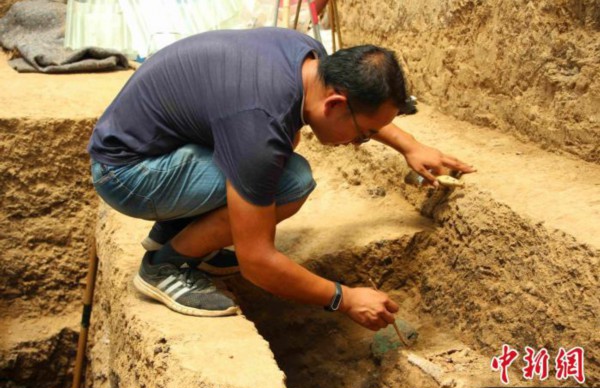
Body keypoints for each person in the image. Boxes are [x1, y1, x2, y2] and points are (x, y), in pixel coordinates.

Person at [88, 27, 474, 331]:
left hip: (157, 143)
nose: (359, 143)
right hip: (127, 173)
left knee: (280, 154)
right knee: (291, 181)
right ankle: (164, 264)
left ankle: (178, 226)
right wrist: (344, 297)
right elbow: (257, 262)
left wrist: (410, 146)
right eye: (364, 133)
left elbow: (353, 114)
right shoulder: (260, 123)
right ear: (336, 104)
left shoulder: (306, 56)